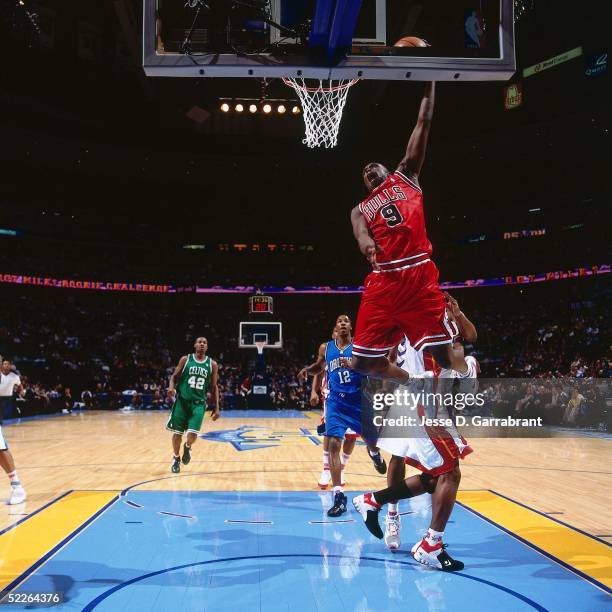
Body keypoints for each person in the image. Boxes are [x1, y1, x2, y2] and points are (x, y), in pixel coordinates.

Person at [349, 82, 469, 383]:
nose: (368, 171)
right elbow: (361, 234)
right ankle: (412, 382)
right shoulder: (360, 207)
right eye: (364, 173)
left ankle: (466, 375)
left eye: (373, 167)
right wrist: (369, 248)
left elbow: (423, 122)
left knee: (444, 357)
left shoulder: (407, 176)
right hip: (385, 281)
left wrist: (429, 81)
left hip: (416, 274)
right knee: (361, 364)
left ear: (389, 170)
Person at [354, 295, 479, 571]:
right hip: (422, 401)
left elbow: (467, 339)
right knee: (445, 472)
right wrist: (467, 367)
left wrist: (457, 316)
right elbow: (450, 358)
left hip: (435, 403)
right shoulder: (416, 318)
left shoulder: (443, 314)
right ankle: (427, 542)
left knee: (438, 477)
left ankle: (374, 501)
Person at [299, 315, 385, 517]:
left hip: (358, 401)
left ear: (351, 326)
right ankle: (339, 496)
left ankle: (374, 454)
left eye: (346, 321)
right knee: (334, 444)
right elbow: (320, 367)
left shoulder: (359, 346)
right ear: (336, 327)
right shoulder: (326, 348)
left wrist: (355, 365)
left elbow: (373, 368)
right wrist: (307, 370)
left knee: (372, 441)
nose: (343, 323)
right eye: (339, 321)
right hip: (336, 402)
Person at [310, 330, 358, 490]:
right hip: (332, 394)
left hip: (353, 395)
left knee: (351, 436)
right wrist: (313, 391)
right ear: (332, 334)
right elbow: (318, 370)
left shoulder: (355, 347)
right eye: (337, 329)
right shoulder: (327, 348)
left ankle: (341, 469)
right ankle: (326, 470)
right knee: (330, 434)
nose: (340, 331)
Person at [166, 337, 220, 473]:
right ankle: (176, 458)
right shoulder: (186, 359)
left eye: (205, 342)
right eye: (199, 342)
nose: (202, 344)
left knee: (192, 434)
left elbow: (214, 387)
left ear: (207, 347)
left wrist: (217, 407)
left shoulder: (212, 364)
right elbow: (174, 376)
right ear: (195, 345)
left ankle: (188, 447)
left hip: (198, 404)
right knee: (177, 434)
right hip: (182, 402)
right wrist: (171, 387)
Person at [0, 359, 27, 505]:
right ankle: (16, 487)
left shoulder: (10, 378)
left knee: (1, 450)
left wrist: (21, 390)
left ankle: (17, 488)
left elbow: (19, 387)